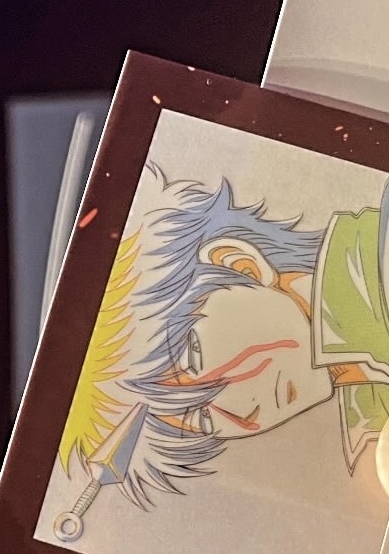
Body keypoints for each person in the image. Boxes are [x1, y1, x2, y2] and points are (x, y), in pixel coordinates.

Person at [63, 165, 389, 506]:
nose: (240, 412)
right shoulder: (371, 435)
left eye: (194, 355)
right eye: (201, 418)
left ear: (238, 263)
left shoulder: (379, 258)